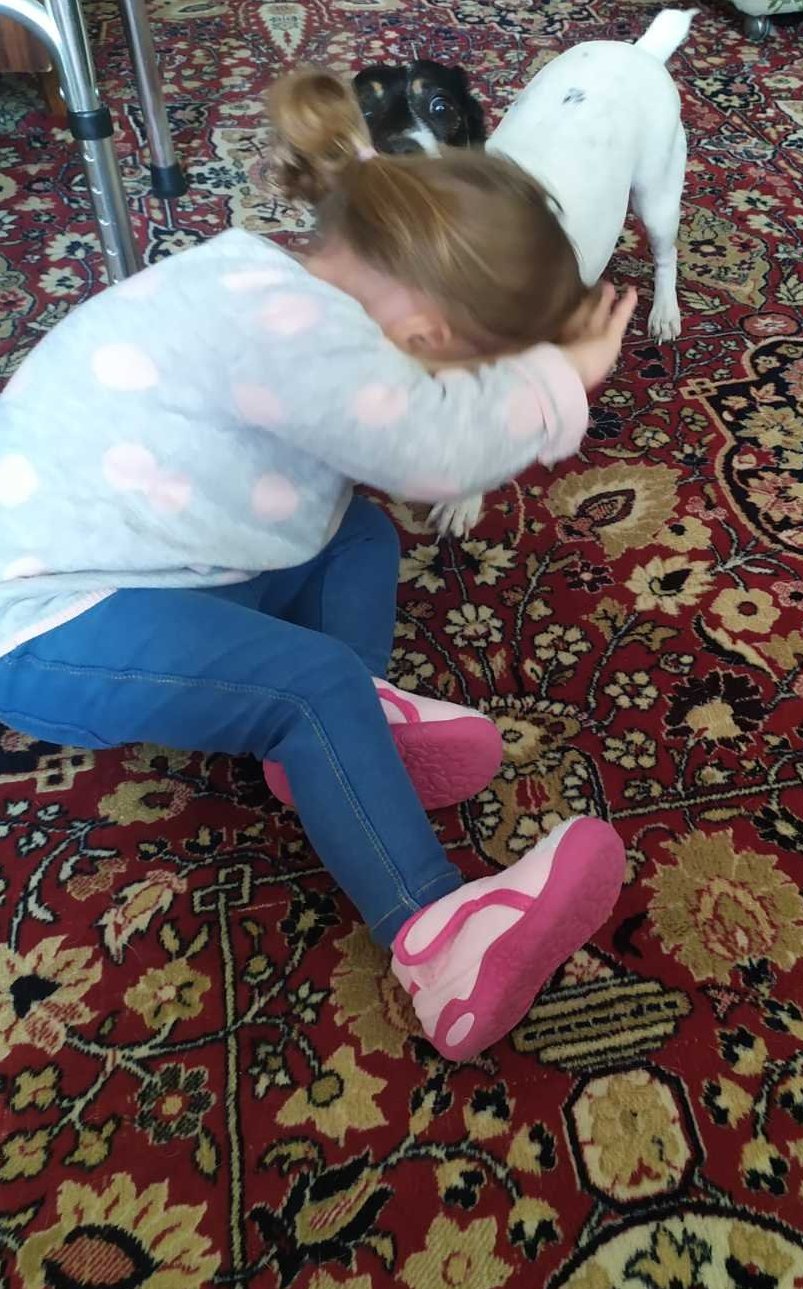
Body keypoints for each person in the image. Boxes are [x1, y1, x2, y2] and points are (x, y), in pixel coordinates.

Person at [0, 68, 635, 1061]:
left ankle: (345, 742)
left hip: (133, 544)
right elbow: (436, 449)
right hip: (44, 621)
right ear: (425, 335)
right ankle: (437, 941)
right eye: (462, 368)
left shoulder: (276, 279)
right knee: (311, 683)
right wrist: (560, 381)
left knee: (358, 537)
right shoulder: (305, 340)